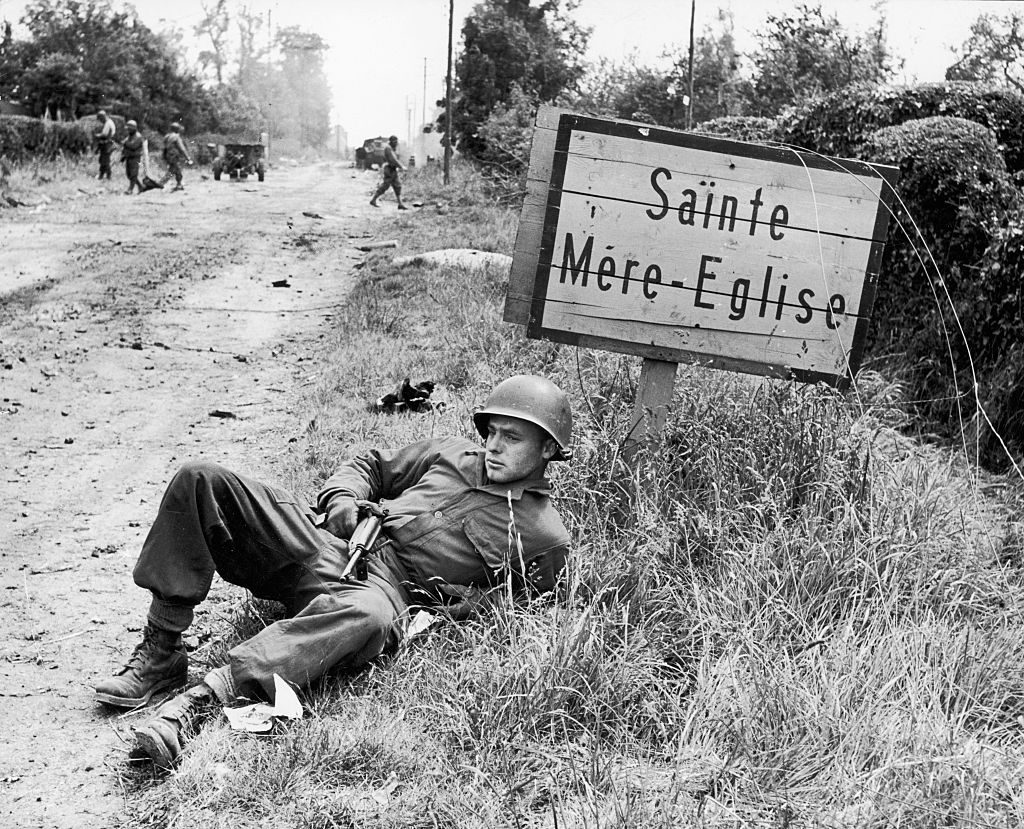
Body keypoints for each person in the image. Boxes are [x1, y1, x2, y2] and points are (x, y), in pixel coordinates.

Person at [94, 375, 573, 768]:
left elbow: (527, 603)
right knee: (201, 478)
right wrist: (342, 500)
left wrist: (466, 605)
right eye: (491, 432)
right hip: (332, 543)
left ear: (548, 450)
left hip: (382, 590)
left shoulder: (544, 537)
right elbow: (370, 466)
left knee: (368, 615)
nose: (493, 446)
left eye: (512, 438)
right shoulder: (451, 453)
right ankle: (163, 649)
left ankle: (201, 700)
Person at [369, 135, 407, 209]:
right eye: (395, 141)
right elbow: (393, 159)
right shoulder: (388, 148)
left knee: (397, 186)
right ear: (391, 141)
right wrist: (401, 166)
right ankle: (373, 200)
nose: (396, 143)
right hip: (389, 169)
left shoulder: (392, 148)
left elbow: (396, 159)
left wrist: (399, 166)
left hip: (393, 169)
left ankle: (400, 204)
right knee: (385, 186)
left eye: (396, 141)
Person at [158, 122, 193, 192]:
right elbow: (182, 148)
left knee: (177, 170)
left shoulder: (167, 136)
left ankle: (179, 184)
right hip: (174, 156)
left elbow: (164, 148)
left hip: (167, 156)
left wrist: (164, 157)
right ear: (177, 129)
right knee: (172, 170)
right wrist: (187, 157)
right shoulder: (176, 137)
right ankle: (161, 183)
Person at [119, 120, 145, 195]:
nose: (128, 130)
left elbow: (133, 146)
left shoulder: (138, 136)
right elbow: (125, 145)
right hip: (129, 157)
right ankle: (141, 187)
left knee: (133, 174)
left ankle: (130, 189)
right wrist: (123, 155)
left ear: (133, 128)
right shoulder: (130, 136)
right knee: (129, 174)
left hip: (135, 157)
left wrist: (125, 143)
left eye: (129, 128)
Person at [94, 111, 115, 180]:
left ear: (103, 117)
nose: (100, 121)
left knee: (105, 161)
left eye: (100, 119)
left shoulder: (108, 123)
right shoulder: (109, 122)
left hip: (107, 144)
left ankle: (109, 176)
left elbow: (104, 134)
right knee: (103, 160)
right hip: (106, 144)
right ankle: (101, 176)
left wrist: (97, 135)